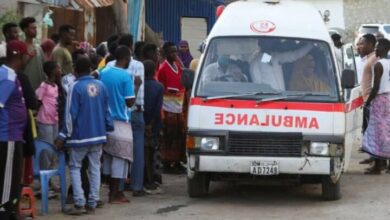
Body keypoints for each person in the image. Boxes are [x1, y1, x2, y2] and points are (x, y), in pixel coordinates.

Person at [55, 57, 113, 215]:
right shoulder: (101, 86)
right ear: (90, 68)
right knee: (95, 168)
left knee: (75, 167)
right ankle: (93, 202)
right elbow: (107, 110)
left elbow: (70, 114)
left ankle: (79, 202)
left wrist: (62, 135)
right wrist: (107, 128)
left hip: (80, 136)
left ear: (75, 70)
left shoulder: (75, 87)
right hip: (98, 134)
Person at [105, 34, 146, 196]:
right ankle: (136, 186)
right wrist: (136, 87)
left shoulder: (108, 67)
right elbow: (137, 95)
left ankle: (117, 187)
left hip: (110, 115)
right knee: (135, 151)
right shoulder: (137, 66)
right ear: (130, 49)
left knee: (115, 152)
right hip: (132, 112)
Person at [100, 46, 137, 203]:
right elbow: (130, 102)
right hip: (121, 120)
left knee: (108, 156)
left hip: (104, 120)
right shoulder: (126, 76)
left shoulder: (104, 73)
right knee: (121, 157)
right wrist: (137, 85)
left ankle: (111, 191)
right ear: (126, 58)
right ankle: (116, 193)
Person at [0, 40, 29, 220]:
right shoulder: (8, 77)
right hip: (7, 135)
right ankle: (5, 211)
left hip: (13, 134)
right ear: (19, 55)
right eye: (26, 55)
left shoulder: (9, 74)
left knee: (10, 176)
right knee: (8, 179)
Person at [362, 38, 390, 174]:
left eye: (378, 47)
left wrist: (368, 102)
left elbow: (376, 87)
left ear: (385, 49)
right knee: (387, 132)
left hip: (379, 99)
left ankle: (378, 166)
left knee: (377, 134)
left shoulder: (378, 65)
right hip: (388, 99)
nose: (376, 50)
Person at [157, 42, 187, 173]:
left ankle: (177, 160)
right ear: (165, 53)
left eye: (175, 52)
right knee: (170, 133)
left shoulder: (177, 66)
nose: (174, 54)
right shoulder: (163, 68)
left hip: (179, 105)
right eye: (171, 52)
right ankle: (167, 161)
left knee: (180, 133)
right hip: (168, 106)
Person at [356, 34, 378, 167]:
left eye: (362, 44)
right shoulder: (367, 59)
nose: (359, 47)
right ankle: (372, 156)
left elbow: (377, 82)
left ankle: (378, 161)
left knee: (374, 131)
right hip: (365, 98)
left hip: (372, 100)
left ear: (370, 45)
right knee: (367, 129)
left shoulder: (374, 60)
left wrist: (370, 100)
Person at [143, 60, 164, 193]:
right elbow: (157, 109)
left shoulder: (138, 85)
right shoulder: (158, 87)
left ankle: (145, 179)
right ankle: (151, 181)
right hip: (154, 125)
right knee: (152, 153)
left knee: (144, 153)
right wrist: (151, 125)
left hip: (141, 122)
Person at [19, 17, 46, 91]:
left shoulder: (38, 47)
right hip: (27, 88)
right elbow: (19, 68)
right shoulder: (21, 46)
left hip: (40, 89)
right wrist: (29, 56)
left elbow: (44, 66)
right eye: (32, 28)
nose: (35, 30)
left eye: (35, 28)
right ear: (25, 30)